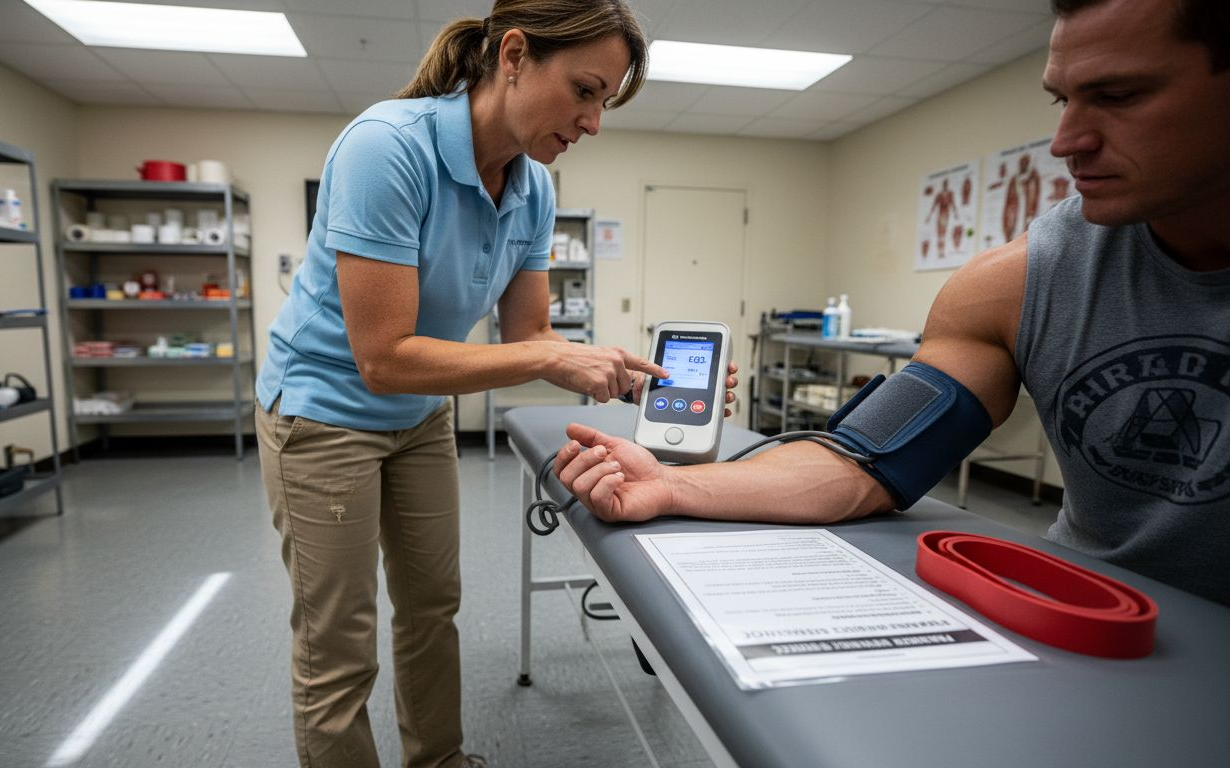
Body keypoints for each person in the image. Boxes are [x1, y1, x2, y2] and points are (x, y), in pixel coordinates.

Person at [555, 0, 1230, 606]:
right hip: (1091, 614)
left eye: (1119, 95)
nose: (1067, 143)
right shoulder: (1018, 283)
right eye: (1062, 102)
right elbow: (863, 463)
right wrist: (671, 487)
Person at [254, 3, 700, 767]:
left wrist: (622, 378)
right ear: (516, 55)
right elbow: (383, 356)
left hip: (421, 413)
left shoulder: (533, 189)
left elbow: (530, 337)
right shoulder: (385, 149)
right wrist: (548, 361)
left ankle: (438, 758)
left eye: (605, 102)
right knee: (340, 642)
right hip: (325, 412)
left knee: (432, 607)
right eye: (586, 90)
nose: (594, 122)